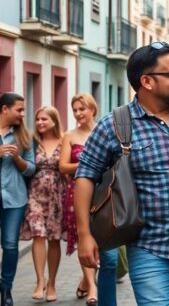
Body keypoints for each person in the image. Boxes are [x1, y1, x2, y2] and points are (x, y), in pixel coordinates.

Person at [73, 41, 169, 306]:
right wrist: (84, 234)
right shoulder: (114, 125)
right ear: (146, 81)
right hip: (149, 246)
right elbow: (85, 175)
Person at [58, 94, 102, 305]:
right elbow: (63, 166)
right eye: (75, 110)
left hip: (102, 194)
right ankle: (92, 286)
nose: (78, 113)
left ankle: (86, 280)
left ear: (93, 109)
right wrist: (89, 164)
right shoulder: (69, 135)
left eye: (82, 109)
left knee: (100, 238)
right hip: (76, 193)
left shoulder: (102, 133)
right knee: (84, 238)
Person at [20, 106, 64, 302]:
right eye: (38, 119)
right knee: (38, 235)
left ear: (54, 121)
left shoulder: (65, 140)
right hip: (35, 194)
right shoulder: (31, 142)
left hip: (58, 195)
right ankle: (40, 281)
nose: (40, 123)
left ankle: (52, 283)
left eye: (44, 119)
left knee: (53, 239)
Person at [0, 93, 36, 306]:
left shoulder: (24, 136)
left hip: (15, 199)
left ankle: (6, 289)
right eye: (19, 110)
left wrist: (17, 158)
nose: (23, 114)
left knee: (10, 245)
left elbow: (31, 168)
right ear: (5, 109)